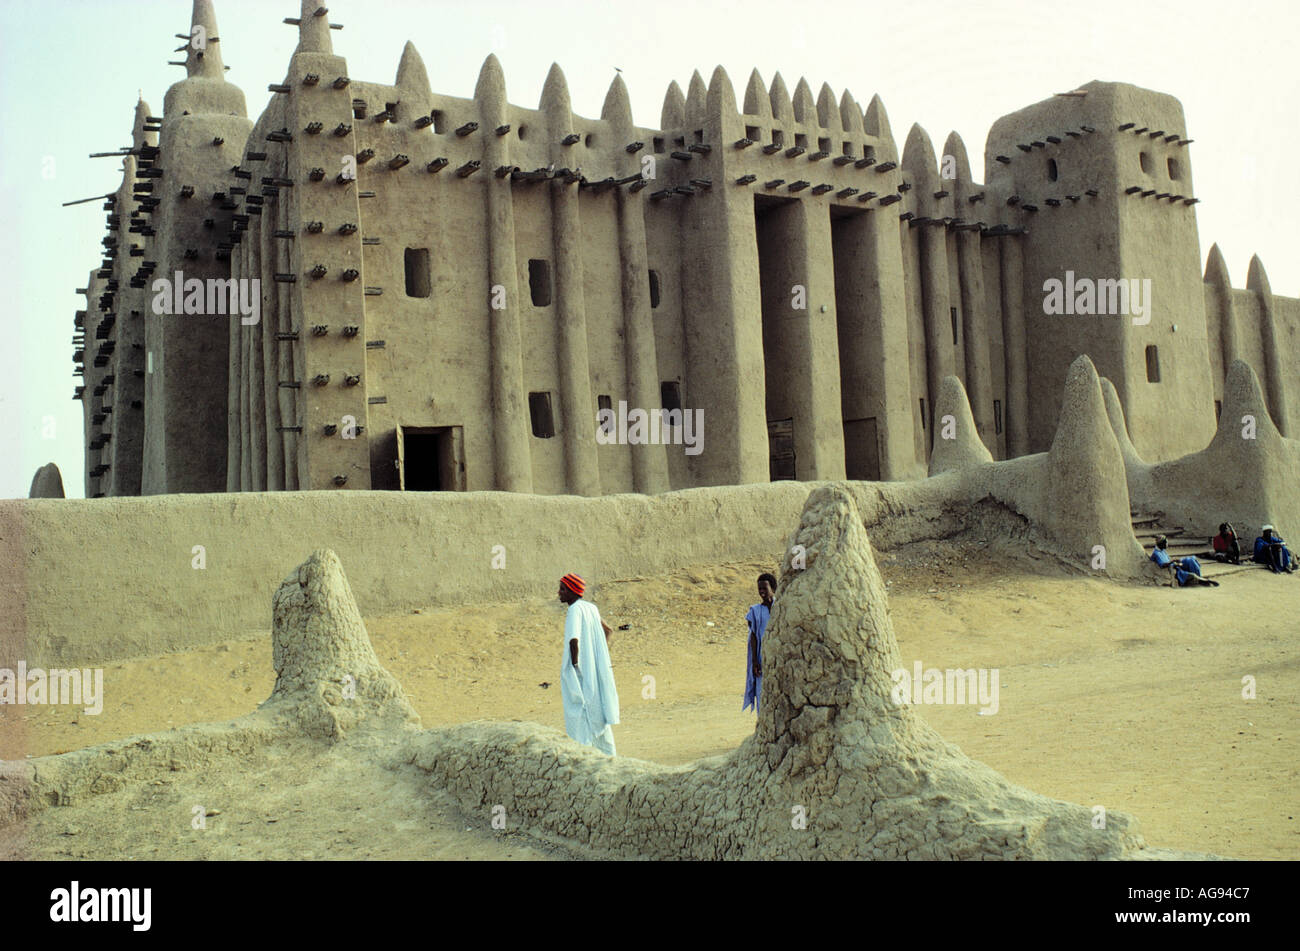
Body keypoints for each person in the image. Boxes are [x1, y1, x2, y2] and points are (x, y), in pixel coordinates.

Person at [557, 573, 619, 755]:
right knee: (598, 716)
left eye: (562, 589)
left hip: (581, 675)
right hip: (595, 672)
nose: (559, 593)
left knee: (580, 714)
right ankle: (608, 757)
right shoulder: (591, 608)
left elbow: (573, 640)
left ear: (572, 591)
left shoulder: (574, 609)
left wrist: (576, 666)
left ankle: (583, 758)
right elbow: (608, 631)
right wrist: (598, 657)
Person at [743, 573, 777, 713]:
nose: (762, 591)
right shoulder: (755, 611)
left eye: (764, 588)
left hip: (778, 655)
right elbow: (754, 637)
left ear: (773, 588)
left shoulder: (781, 606)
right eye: (759, 589)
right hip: (763, 657)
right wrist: (755, 661)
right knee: (763, 692)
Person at [1150, 535, 1219, 586]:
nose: (1167, 545)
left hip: (1175, 565)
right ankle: (1202, 580)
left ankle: (1200, 577)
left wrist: (1175, 561)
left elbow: (1168, 560)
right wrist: (1173, 561)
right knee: (1191, 575)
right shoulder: (1157, 553)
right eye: (1165, 543)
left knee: (1190, 559)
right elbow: (1163, 565)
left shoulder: (1162, 550)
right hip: (1173, 568)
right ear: (1161, 544)